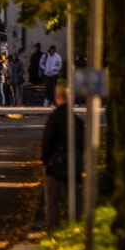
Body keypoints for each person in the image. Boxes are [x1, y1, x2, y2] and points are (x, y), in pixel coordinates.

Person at [40, 83, 86, 230]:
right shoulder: (77, 120)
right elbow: (82, 143)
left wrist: (45, 160)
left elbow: (47, 141)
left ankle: (52, 229)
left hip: (55, 161)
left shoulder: (54, 118)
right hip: (73, 161)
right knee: (74, 197)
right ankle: (76, 226)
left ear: (57, 98)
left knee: (51, 201)